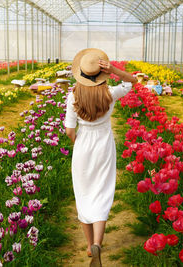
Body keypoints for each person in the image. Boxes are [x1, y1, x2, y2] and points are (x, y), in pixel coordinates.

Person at [65, 48, 137, 267]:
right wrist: (114, 69)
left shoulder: (73, 95)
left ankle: (89, 246)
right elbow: (131, 82)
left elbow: (69, 130)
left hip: (83, 146)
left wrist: (77, 143)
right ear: (101, 74)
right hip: (104, 145)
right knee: (102, 192)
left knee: (84, 193)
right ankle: (98, 243)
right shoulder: (110, 93)